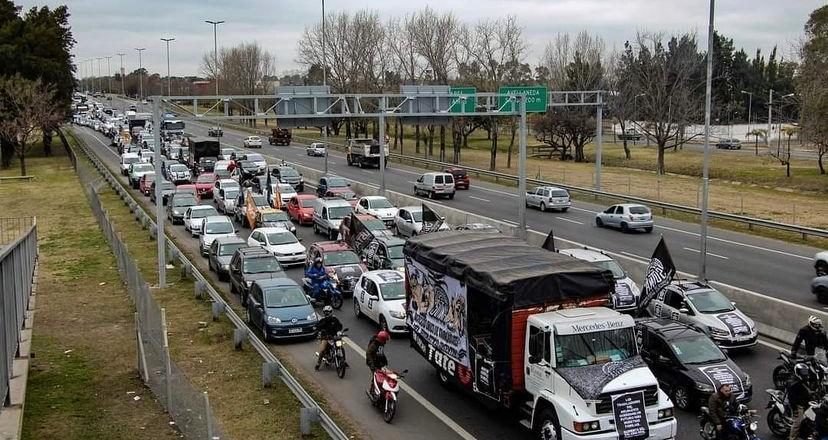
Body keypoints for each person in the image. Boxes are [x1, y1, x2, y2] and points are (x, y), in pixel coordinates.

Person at [788, 363, 814, 440]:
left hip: (804, 401)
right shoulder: (794, 384)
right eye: (804, 373)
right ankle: (792, 437)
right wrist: (795, 409)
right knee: (797, 422)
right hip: (798, 404)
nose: (806, 375)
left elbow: (806, 389)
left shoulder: (803, 379)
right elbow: (792, 399)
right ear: (798, 373)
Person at [315, 306, 343, 370]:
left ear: (331, 312)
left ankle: (343, 360)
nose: (327, 314)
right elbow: (317, 327)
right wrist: (320, 331)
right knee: (322, 350)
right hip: (325, 338)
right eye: (325, 312)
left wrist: (339, 331)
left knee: (340, 346)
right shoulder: (322, 320)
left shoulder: (335, 319)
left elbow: (339, 326)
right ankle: (318, 363)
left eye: (328, 312)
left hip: (334, 337)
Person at [366, 330, 390, 398]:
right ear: (382, 339)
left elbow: (380, 353)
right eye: (385, 340)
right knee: (376, 376)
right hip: (373, 363)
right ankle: (372, 390)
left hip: (379, 362)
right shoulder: (374, 345)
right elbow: (368, 353)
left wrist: (384, 360)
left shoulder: (381, 344)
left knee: (383, 375)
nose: (386, 342)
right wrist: (372, 364)